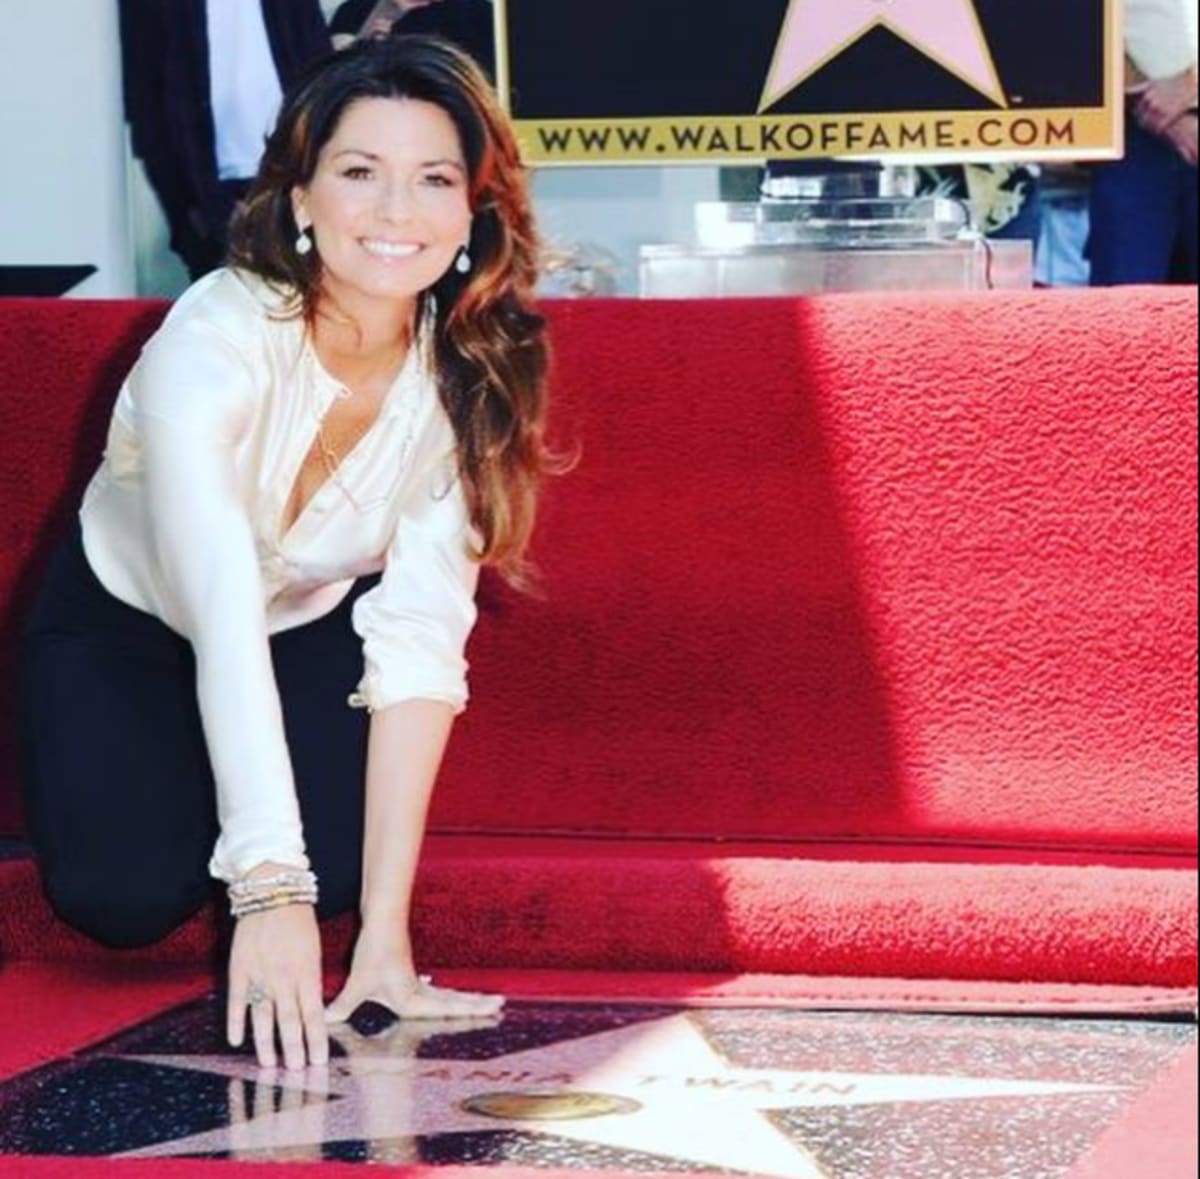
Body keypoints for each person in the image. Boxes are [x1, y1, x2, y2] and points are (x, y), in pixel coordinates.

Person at [20, 36, 556, 1071]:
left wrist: (385, 941)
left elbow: (416, 643)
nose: (396, 212)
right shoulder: (210, 344)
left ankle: (252, 824)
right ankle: (192, 801)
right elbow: (218, 605)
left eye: (433, 179)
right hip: (129, 627)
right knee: (122, 901)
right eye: (360, 173)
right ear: (303, 199)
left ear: (470, 215)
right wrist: (267, 888)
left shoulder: (467, 369)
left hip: (303, 626)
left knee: (343, 878)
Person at [118, 0, 333, 279]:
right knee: (227, 310)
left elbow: (321, 70)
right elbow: (144, 104)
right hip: (214, 191)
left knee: (312, 305)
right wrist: (189, 221)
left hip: (296, 175)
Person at [1088, 0, 1198, 284]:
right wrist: (1171, 121)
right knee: (1127, 303)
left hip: (1154, 121)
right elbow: (1073, 19)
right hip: (1133, 135)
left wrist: (1193, 80)